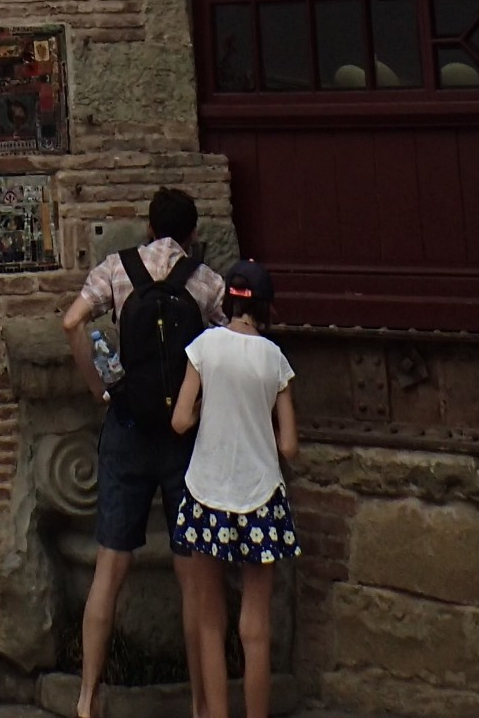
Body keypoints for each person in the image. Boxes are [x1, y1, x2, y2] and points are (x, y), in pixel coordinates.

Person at [61, 187, 226, 718]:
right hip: (184, 433)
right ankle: (202, 704)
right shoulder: (205, 282)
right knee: (192, 575)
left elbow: (72, 322)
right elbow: (226, 351)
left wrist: (99, 387)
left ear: (149, 227)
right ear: (193, 234)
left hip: (128, 425)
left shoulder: (116, 267)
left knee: (110, 565)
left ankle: (88, 699)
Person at [169, 260, 300, 718]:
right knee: (256, 626)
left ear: (228, 302)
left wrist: (210, 403)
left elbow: (181, 420)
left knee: (209, 619)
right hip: (261, 494)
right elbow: (289, 445)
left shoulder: (204, 347)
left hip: (207, 490)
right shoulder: (275, 359)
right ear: (263, 307)